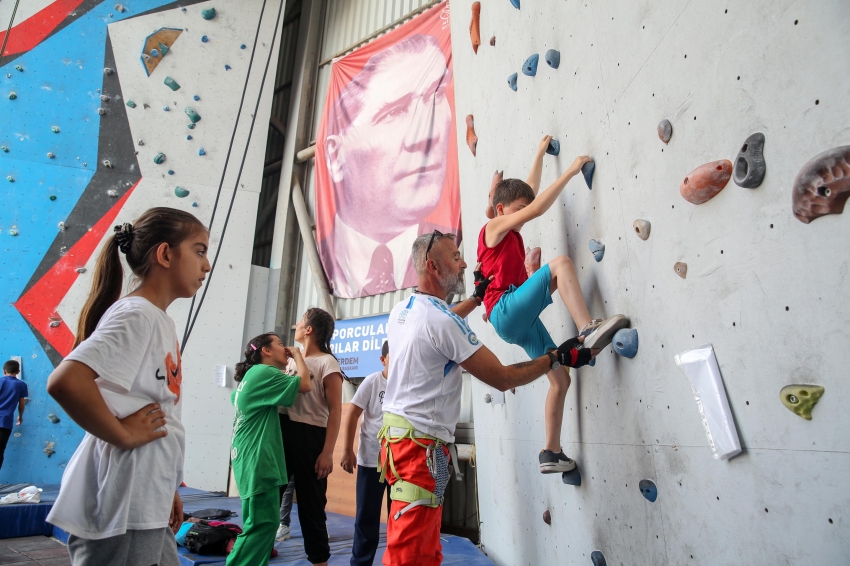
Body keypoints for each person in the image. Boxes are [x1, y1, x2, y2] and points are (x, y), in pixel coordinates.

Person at [380, 232, 599, 566]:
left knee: (424, 547)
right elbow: (502, 378)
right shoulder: (443, 323)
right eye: (455, 257)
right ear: (433, 266)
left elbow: (440, 321)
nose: (465, 262)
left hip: (402, 445)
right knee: (409, 556)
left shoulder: (403, 310)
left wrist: (477, 298)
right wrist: (557, 358)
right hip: (417, 451)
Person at [45, 208, 210, 566]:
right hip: (126, 499)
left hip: (146, 491)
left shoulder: (157, 319)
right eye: (199, 251)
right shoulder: (137, 315)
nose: (207, 264)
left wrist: (167, 488)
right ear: (165, 254)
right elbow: (66, 382)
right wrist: (123, 435)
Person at [478, 136, 630, 474]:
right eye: (515, 211)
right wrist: (572, 171)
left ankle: (551, 451)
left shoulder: (509, 228)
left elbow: (528, 195)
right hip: (505, 309)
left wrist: (538, 153)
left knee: (560, 381)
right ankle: (588, 329)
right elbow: (534, 207)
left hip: (517, 322)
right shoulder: (492, 228)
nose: (523, 217)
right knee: (560, 264)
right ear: (501, 210)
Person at [320, 33, 456, 298]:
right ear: (336, 155)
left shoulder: (459, 244)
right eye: (394, 111)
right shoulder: (323, 259)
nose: (426, 135)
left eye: (435, 94)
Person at [227, 332, 312, 566]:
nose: (285, 348)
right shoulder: (264, 372)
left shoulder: (252, 376)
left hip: (248, 457)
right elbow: (305, 384)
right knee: (261, 526)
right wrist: (297, 354)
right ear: (266, 350)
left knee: (262, 525)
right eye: (279, 344)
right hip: (258, 459)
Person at [279, 308, 344, 566]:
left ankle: (319, 561)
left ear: (308, 330)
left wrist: (327, 452)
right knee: (271, 499)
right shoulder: (290, 362)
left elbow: (336, 410)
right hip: (283, 433)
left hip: (311, 437)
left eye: (300, 321)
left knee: (312, 507)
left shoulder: (327, 363)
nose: (295, 324)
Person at [341, 341, 391, 566]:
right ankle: (360, 563)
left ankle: (395, 560)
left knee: (398, 518)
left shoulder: (407, 383)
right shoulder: (373, 382)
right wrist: (347, 450)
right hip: (371, 460)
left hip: (399, 462)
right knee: (366, 518)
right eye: (394, 356)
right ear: (383, 360)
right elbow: (352, 415)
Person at [0, 359, 27, 470]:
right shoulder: (21, 385)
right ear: (18, 371)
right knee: (0, 450)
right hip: (5, 422)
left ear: (4, 371)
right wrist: (20, 416)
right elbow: (21, 404)